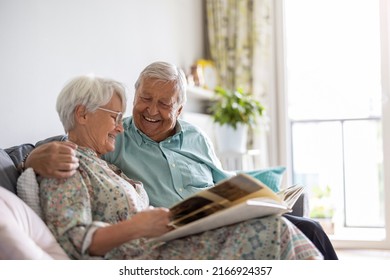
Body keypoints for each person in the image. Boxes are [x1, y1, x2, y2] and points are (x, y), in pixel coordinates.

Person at [26, 61, 337, 259]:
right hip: (169, 239)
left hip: (210, 222)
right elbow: (65, 145)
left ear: (179, 109)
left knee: (307, 227)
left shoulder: (195, 138)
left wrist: (256, 198)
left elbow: (223, 181)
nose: (150, 110)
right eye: (145, 99)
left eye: (164, 103)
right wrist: (32, 159)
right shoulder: (105, 146)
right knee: (279, 232)